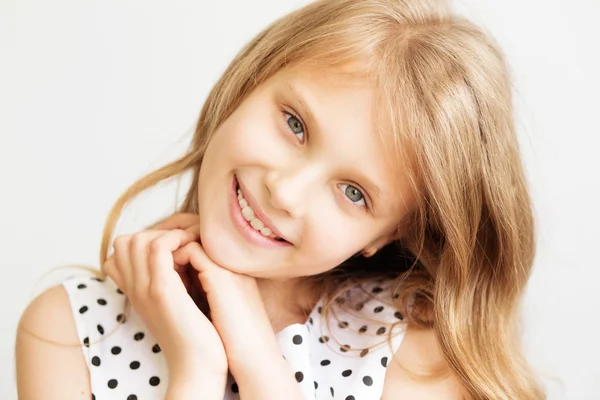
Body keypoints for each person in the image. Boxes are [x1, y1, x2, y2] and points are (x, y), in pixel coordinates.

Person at [15, 0, 545, 399]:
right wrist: (195, 367)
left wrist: (260, 367)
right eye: (295, 124)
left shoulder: (415, 354)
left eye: (354, 193)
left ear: (386, 235)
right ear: (251, 81)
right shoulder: (72, 329)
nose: (286, 192)